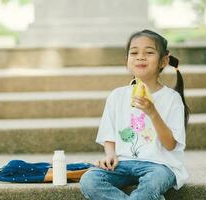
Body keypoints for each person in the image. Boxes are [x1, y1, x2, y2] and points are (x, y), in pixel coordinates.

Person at [80, 29, 190, 200]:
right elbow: (109, 134)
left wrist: (152, 113)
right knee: (89, 180)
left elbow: (170, 145)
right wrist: (110, 155)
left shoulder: (171, 99)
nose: (140, 57)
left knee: (153, 183)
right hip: (123, 163)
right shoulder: (117, 95)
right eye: (134, 52)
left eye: (149, 52)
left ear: (163, 61)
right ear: (127, 61)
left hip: (159, 165)